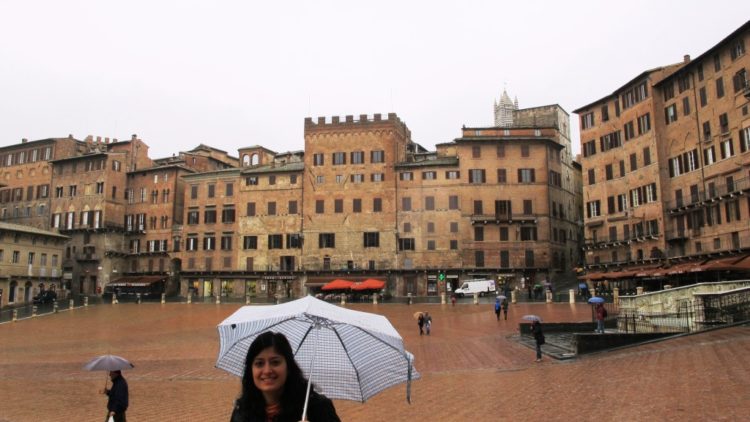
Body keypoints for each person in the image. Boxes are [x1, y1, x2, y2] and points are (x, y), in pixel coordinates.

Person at [231, 331, 340, 422]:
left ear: (288, 367)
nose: (267, 371)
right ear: (251, 370)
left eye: (275, 362)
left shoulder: (316, 407)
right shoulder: (242, 411)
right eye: (259, 364)